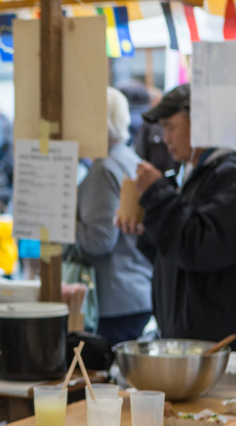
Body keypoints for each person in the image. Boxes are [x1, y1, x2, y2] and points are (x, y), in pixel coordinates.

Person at [125, 84, 236, 351]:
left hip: (216, 349)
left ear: (199, 122)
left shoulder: (230, 174)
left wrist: (157, 195)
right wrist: (147, 228)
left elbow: (206, 247)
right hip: (192, 344)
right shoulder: (195, 174)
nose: (165, 138)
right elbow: (175, 255)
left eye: (170, 127)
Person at [75, 88, 152, 347]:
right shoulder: (129, 158)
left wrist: (61, 220)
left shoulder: (104, 169)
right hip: (134, 290)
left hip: (116, 298)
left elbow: (99, 241)